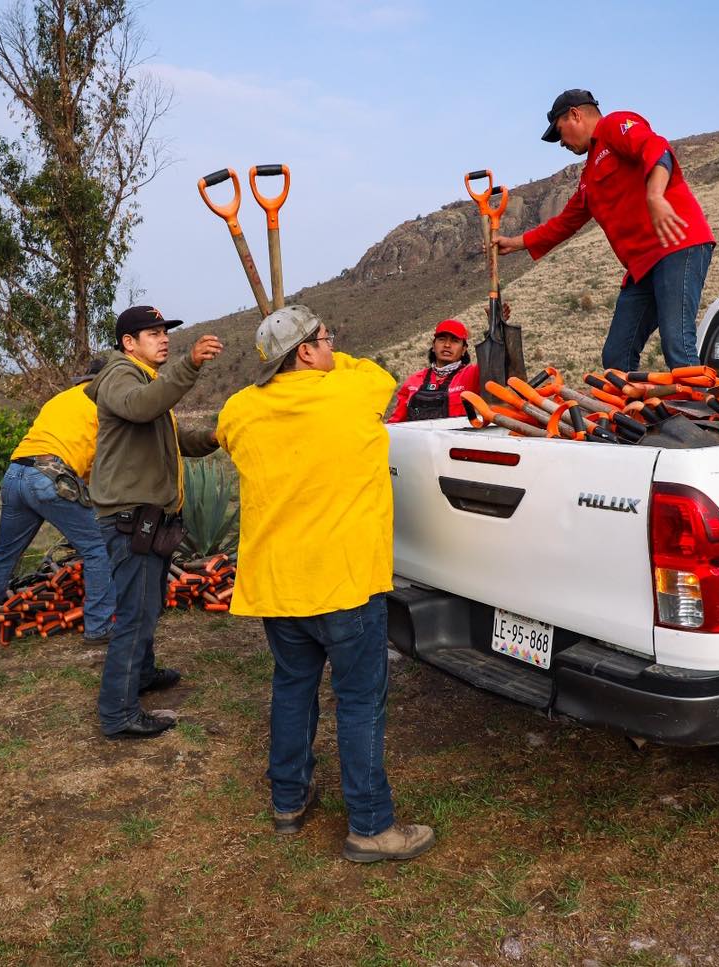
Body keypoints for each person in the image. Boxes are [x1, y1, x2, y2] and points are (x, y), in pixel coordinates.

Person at [217, 305, 436, 863]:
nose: (333, 346)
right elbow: (377, 376)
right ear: (308, 354)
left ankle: (289, 800)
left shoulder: (240, 410)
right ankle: (369, 826)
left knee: (293, 687)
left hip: (280, 585)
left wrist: (287, 360)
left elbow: (229, 427)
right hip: (343, 582)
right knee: (360, 701)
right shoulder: (351, 391)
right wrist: (328, 360)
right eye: (324, 339)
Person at [494, 89, 716, 372]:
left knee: (677, 345)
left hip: (677, 244)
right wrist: (516, 243)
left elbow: (655, 147)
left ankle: (696, 412)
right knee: (616, 357)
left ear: (575, 114)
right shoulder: (588, 176)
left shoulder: (614, 126)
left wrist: (655, 195)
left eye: (560, 132)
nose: (561, 143)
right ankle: (639, 413)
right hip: (641, 267)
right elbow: (565, 223)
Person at [84, 306, 222, 741]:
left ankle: (140, 675)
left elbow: (178, 440)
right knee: (135, 617)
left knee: (147, 607)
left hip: (149, 520)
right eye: (152, 332)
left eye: (165, 332)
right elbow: (142, 408)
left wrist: (221, 436)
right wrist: (191, 365)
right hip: (131, 520)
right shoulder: (121, 377)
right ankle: (118, 713)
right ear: (128, 343)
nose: (163, 338)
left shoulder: (147, 383)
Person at [0, 359, 114, 647]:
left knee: (4, 553)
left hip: (16, 472)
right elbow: (99, 460)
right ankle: (99, 626)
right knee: (98, 549)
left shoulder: (59, 400)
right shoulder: (105, 400)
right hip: (50, 476)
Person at [386, 319, 480, 423]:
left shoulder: (473, 375)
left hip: (458, 439)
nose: (447, 345)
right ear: (433, 346)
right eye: (442, 339)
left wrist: (499, 325)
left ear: (463, 349)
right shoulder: (414, 381)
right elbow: (395, 423)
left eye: (455, 341)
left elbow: (497, 364)